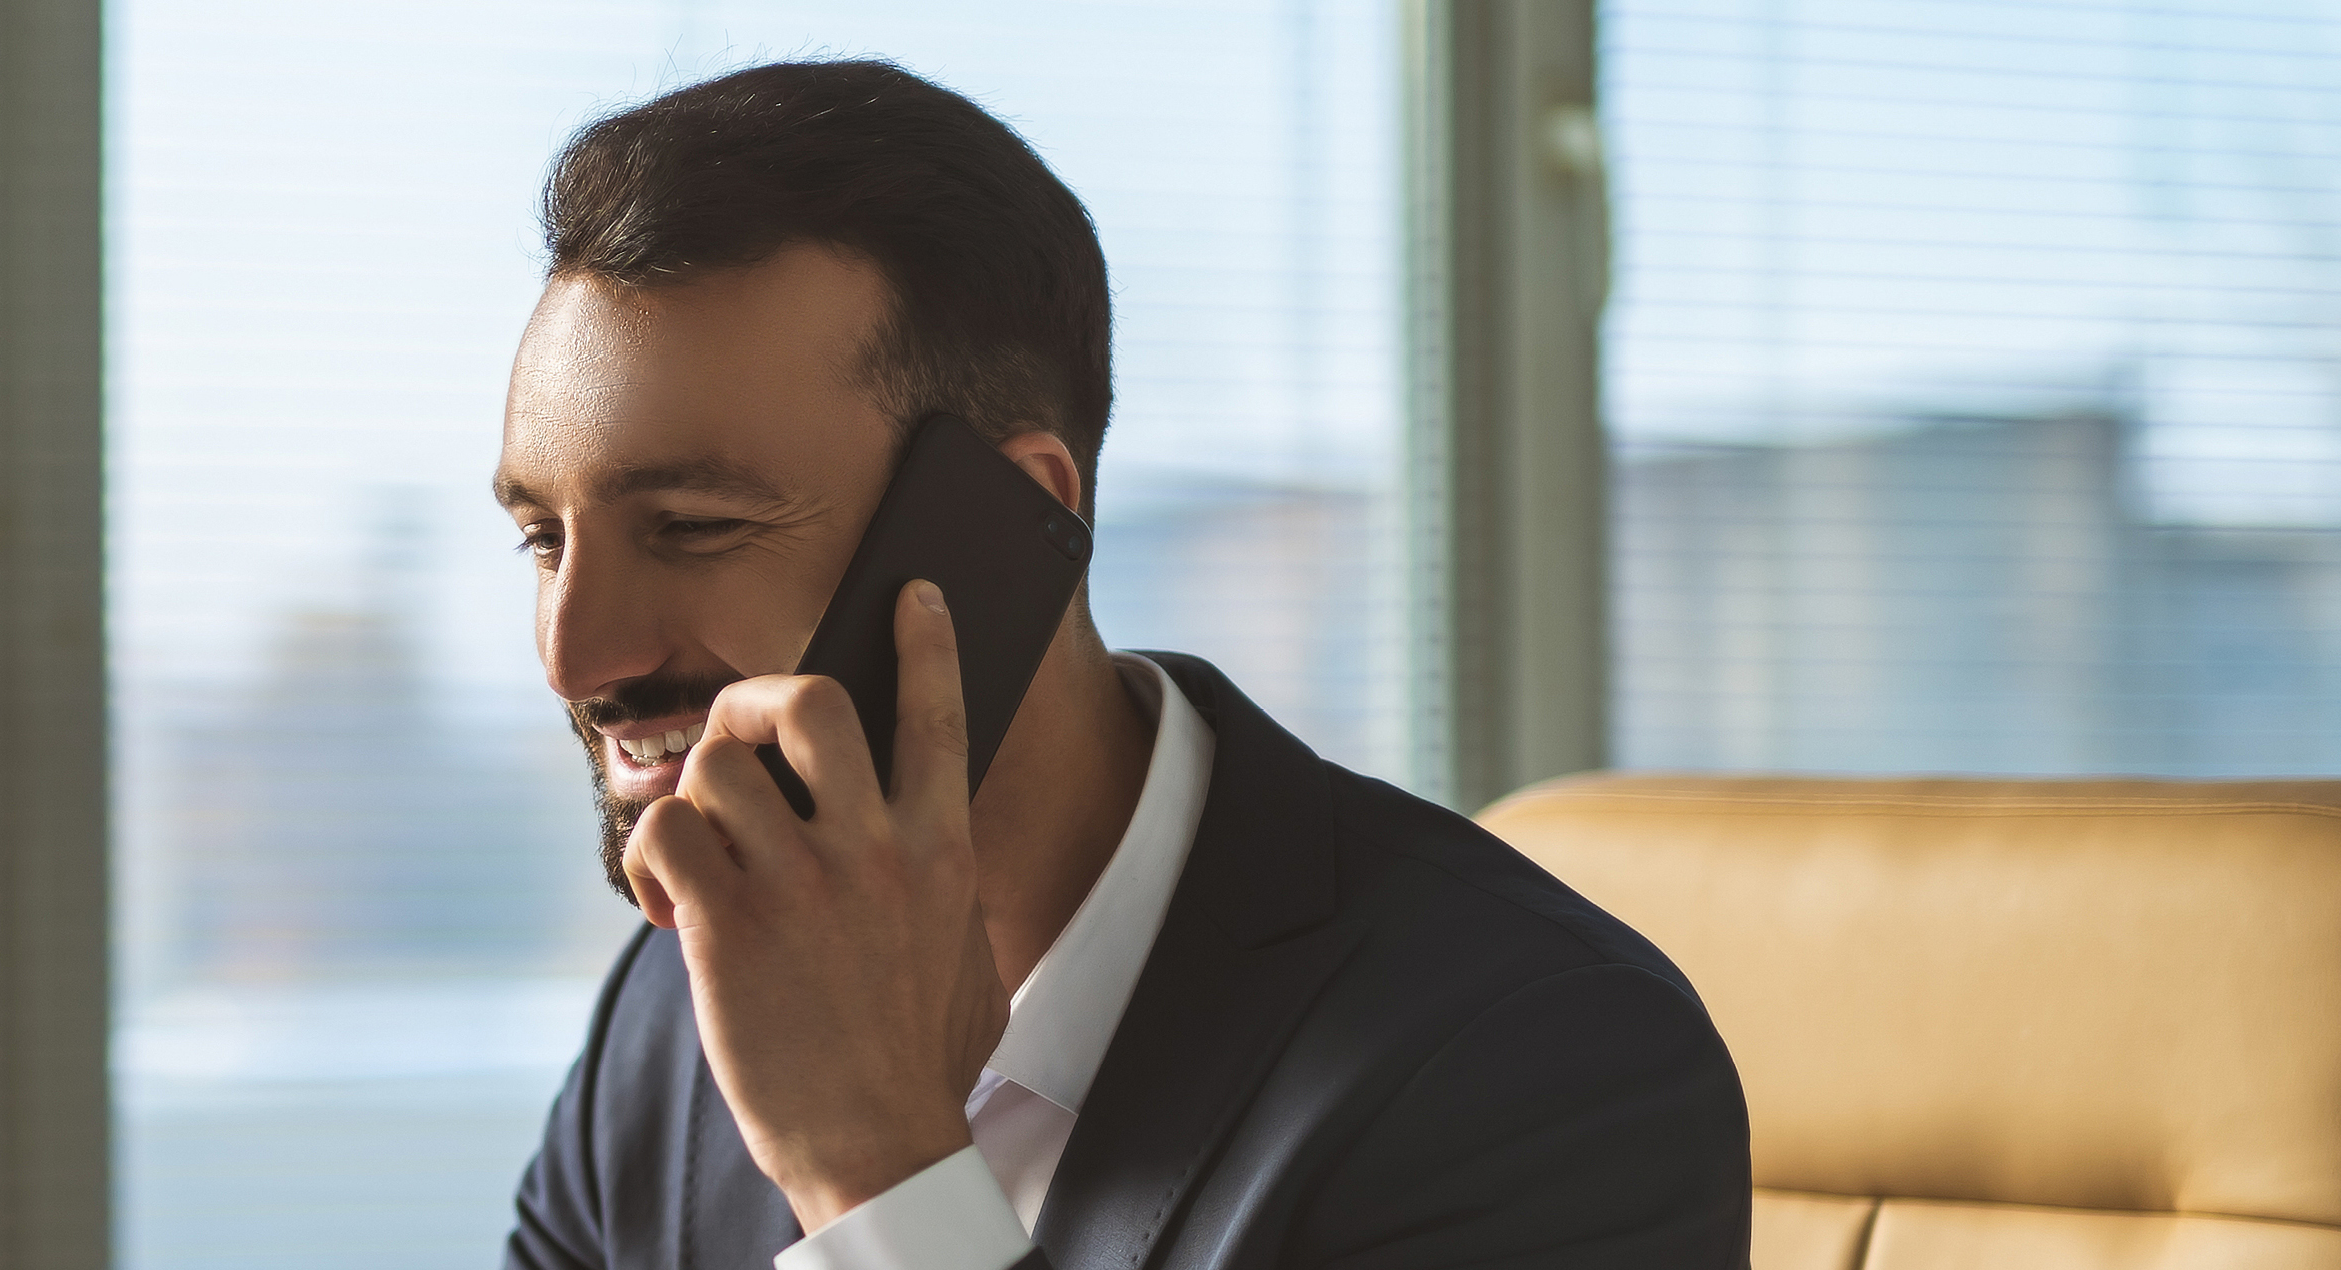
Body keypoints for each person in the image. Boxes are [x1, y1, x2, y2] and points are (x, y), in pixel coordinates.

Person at [492, 61, 1749, 1270]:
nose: (573, 652)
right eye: (543, 538)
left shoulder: (1540, 1063)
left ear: (1001, 524)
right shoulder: (681, 998)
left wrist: (877, 1180)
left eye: (694, 527)